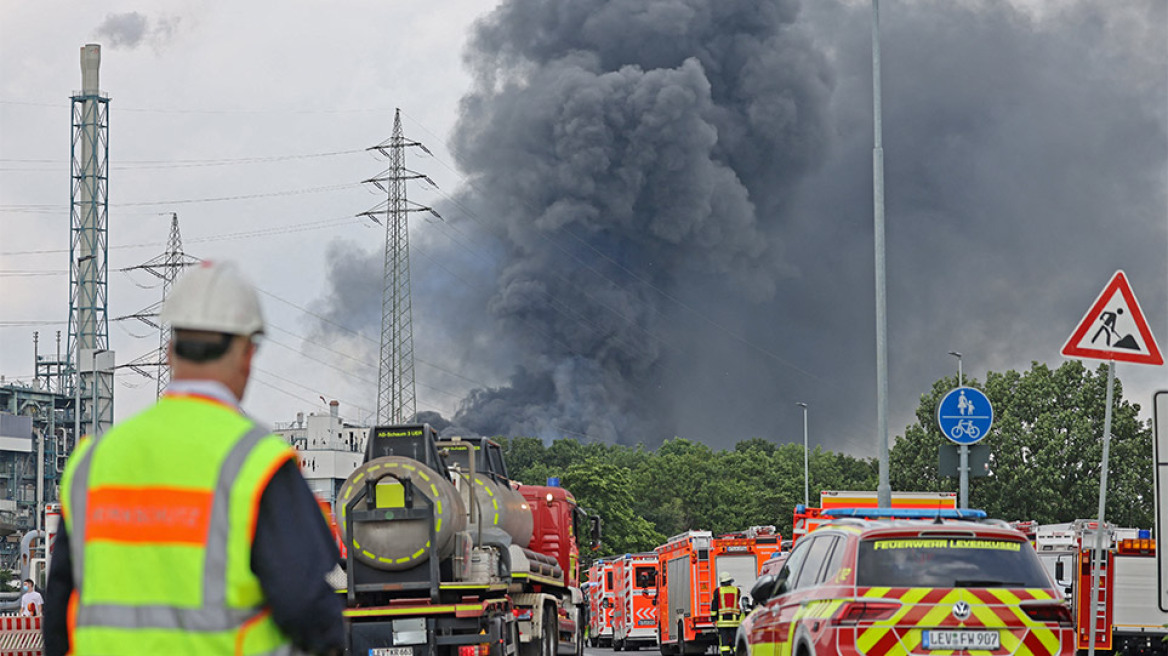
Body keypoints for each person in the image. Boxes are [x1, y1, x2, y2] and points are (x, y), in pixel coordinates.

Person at [43, 261, 344, 655]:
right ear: (247, 355)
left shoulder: (95, 463)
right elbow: (309, 609)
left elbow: (59, 615)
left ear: (169, 351)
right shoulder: (255, 464)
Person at [709, 571, 742, 656]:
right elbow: (737, 602)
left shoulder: (718, 591)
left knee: (724, 643)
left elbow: (714, 606)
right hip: (735, 622)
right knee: (735, 642)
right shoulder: (737, 590)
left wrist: (713, 619)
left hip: (722, 622)